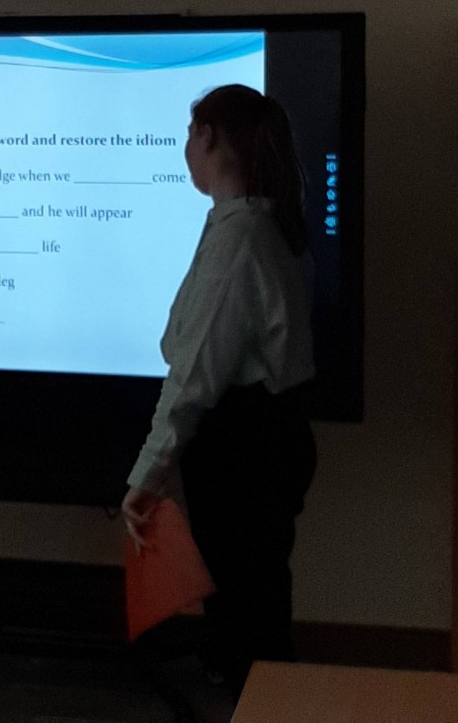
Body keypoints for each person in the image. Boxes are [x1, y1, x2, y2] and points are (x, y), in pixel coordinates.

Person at [121, 83, 317, 704]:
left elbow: (191, 378)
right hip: (259, 447)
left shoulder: (240, 240)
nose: (184, 150)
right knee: (253, 610)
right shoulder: (247, 227)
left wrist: (146, 476)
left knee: (248, 622)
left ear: (208, 137)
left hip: (244, 456)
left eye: (188, 135)